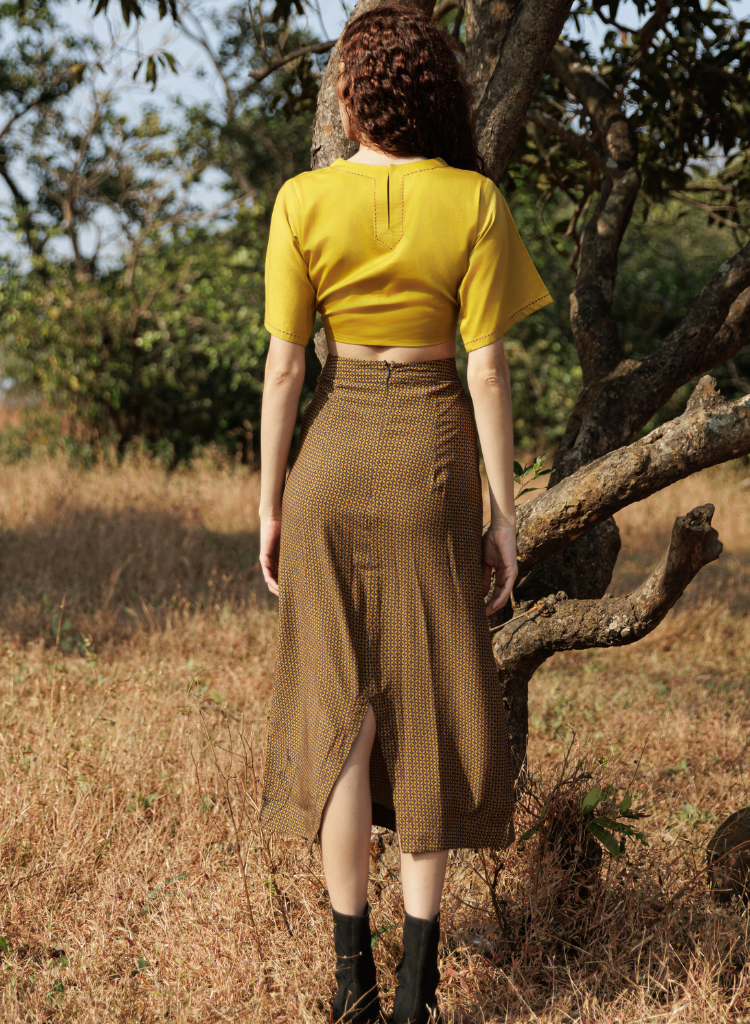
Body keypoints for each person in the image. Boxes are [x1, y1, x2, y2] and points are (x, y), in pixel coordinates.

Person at [257, 6, 552, 1022]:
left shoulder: (303, 200)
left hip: (331, 456)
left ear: (350, 96)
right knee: (426, 706)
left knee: (343, 716)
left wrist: (269, 505)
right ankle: (418, 995)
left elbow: (285, 369)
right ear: (432, 96)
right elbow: (487, 371)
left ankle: (353, 983)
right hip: (432, 455)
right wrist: (504, 512)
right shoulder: (474, 201)